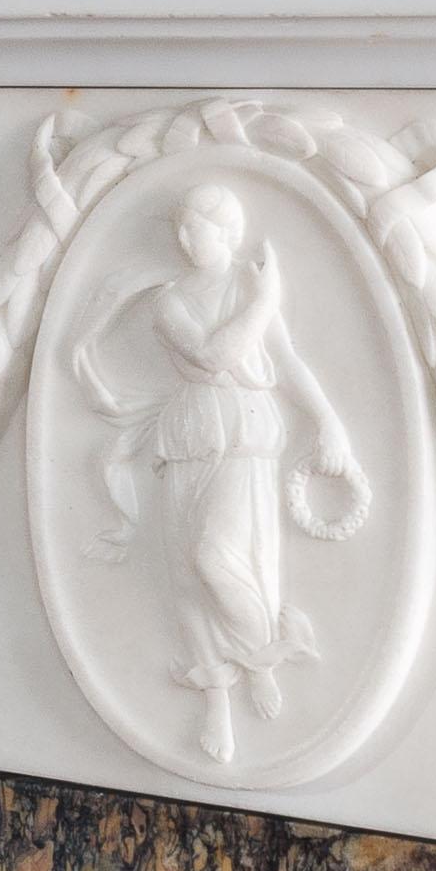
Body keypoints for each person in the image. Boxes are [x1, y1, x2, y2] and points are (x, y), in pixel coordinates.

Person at [72, 183, 364, 767]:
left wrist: (329, 421)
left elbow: (285, 362)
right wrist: (267, 298)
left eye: (196, 226)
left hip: (245, 430)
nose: (185, 237)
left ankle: (259, 657)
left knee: (223, 556)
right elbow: (211, 356)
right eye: (180, 227)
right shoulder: (171, 300)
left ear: (227, 232)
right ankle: (216, 703)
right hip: (191, 430)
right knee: (186, 572)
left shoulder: (244, 286)